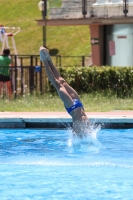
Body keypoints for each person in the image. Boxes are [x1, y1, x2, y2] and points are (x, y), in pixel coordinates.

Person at [39, 46, 89, 137]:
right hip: (79, 105)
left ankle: (44, 60)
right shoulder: (86, 138)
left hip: (72, 108)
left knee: (57, 84)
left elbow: (74, 136)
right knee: (63, 82)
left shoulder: (78, 137)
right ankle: (49, 60)